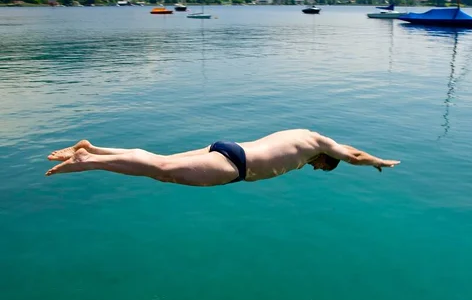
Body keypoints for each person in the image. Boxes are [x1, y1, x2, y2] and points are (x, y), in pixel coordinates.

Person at [45, 129, 400, 186]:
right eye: (322, 167)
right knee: (162, 170)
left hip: (227, 146)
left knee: (160, 160)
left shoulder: (303, 133)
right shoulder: (320, 145)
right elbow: (352, 154)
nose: (316, 168)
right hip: (234, 164)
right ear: (325, 158)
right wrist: (378, 161)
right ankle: (86, 161)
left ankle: (92, 149)